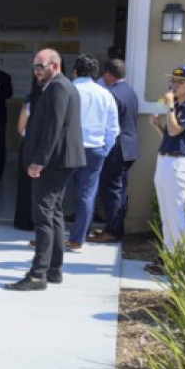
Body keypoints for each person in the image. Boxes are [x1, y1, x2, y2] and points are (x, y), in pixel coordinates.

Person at [6, 49, 84, 291]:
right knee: (54, 214)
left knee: (42, 217)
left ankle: (38, 274)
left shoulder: (59, 87)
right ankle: (53, 269)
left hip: (53, 163)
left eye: (41, 66)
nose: (36, 71)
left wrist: (39, 161)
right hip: (60, 161)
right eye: (34, 67)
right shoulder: (56, 86)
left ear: (55, 65)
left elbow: (54, 128)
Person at [145, 65, 185, 275]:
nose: (175, 85)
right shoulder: (178, 106)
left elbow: (175, 129)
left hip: (177, 164)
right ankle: (167, 256)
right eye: (174, 81)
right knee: (166, 213)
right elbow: (170, 137)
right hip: (166, 160)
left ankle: (179, 261)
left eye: (180, 82)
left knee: (175, 213)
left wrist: (170, 107)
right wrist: (156, 126)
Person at [66, 55, 119, 250]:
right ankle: (77, 239)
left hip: (68, 149)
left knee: (55, 194)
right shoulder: (105, 94)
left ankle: (49, 237)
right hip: (95, 150)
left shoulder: (69, 90)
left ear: (75, 71)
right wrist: (105, 149)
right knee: (86, 195)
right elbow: (113, 128)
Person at [89, 59, 140, 244]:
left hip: (117, 148)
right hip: (130, 147)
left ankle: (113, 231)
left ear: (108, 74)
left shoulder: (111, 94)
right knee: (120, 190)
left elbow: (107, 124)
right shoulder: (130, 91)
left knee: (111, 191)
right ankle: (115, 227)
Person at [13, 76, 42, 232]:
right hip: (46, 146)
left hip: (29, 145)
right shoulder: (54, 99)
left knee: (26, 185)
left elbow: (20, 128)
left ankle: (24, 220)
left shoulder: (30, 101)